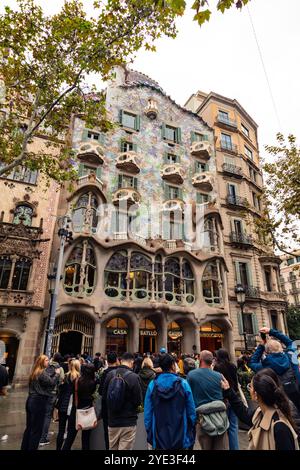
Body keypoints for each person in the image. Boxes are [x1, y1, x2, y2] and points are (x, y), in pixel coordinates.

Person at [221, 368, 299, 450]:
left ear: (256, 395)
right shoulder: (261, 412)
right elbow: (245, 415)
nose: (249, 389)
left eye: (250, 387)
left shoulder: (280, 426)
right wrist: (228, 390)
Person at [144, 353, 196, 450]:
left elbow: (148, 413)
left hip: (158, 433)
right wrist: (190, 429)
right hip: (181, 433)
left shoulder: (153, 385)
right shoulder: (183, 384)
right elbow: (191, 411)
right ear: (173, 365)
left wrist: (150, 431)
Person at [249, 327, 300, 411]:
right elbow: (290, 343)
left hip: (281, 407)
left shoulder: (264, 367)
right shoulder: (291, 357)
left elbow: (252, 362)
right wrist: (271, 331)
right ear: (281, 348)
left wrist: (261, 346)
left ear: (267, 352)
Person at [187, 350, 229, 450]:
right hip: (220, 418)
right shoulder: (219, 376)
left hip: (203, 419)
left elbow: (188, 398)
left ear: (200, 360)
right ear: (212, 361)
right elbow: (225, 395)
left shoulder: (191, 375)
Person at [102, 352, 143, 450]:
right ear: (132, 362)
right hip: (128, 421)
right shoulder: (134, 377)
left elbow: (104, 397)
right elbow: (138, 401)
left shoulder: (110, 375)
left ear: (120, 361)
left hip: (112, 420)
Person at [21, 354, 60, 450]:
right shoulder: (41, 372)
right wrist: (57, 374)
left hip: (31, 399)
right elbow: (51, 383)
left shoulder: (34, 372)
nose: (49, 362)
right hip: (38, 401)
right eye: (46, 360)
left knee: (29, 428)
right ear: (41, 362)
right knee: (36, 430)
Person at [62, 363, 97, 450]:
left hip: (76, 411)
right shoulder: (93, 383)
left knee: (69, 439)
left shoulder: (76, 381)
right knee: (86, 440)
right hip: (87, 412)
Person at [214, 348, 239, 450]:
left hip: (223, 398)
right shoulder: (233, 366)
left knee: (222, 426)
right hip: (233, 396)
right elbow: (236, 382)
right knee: (233, 427)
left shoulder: (217, 367)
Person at [39, 352, 65, 446]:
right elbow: (61, 380)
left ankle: (39, 434)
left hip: (42, 393)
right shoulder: (59, 368)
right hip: (52, 393)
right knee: (47, 416)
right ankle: (43, 438)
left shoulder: (45, 366)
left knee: (42, 414)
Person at [56, 359, 81, 450]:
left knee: (61, 431)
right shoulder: (79, 378)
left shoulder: (66, 376)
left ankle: (58, 449)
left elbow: (61, 391)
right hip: (72, 407)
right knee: (71, 431)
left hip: (63, 405)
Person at [98, 352, 119, 450]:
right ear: (117, 360)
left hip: (107, 406)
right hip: (119, 407)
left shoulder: (105, 373)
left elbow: (101, 391)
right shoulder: (121, 372)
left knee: (107, 432)